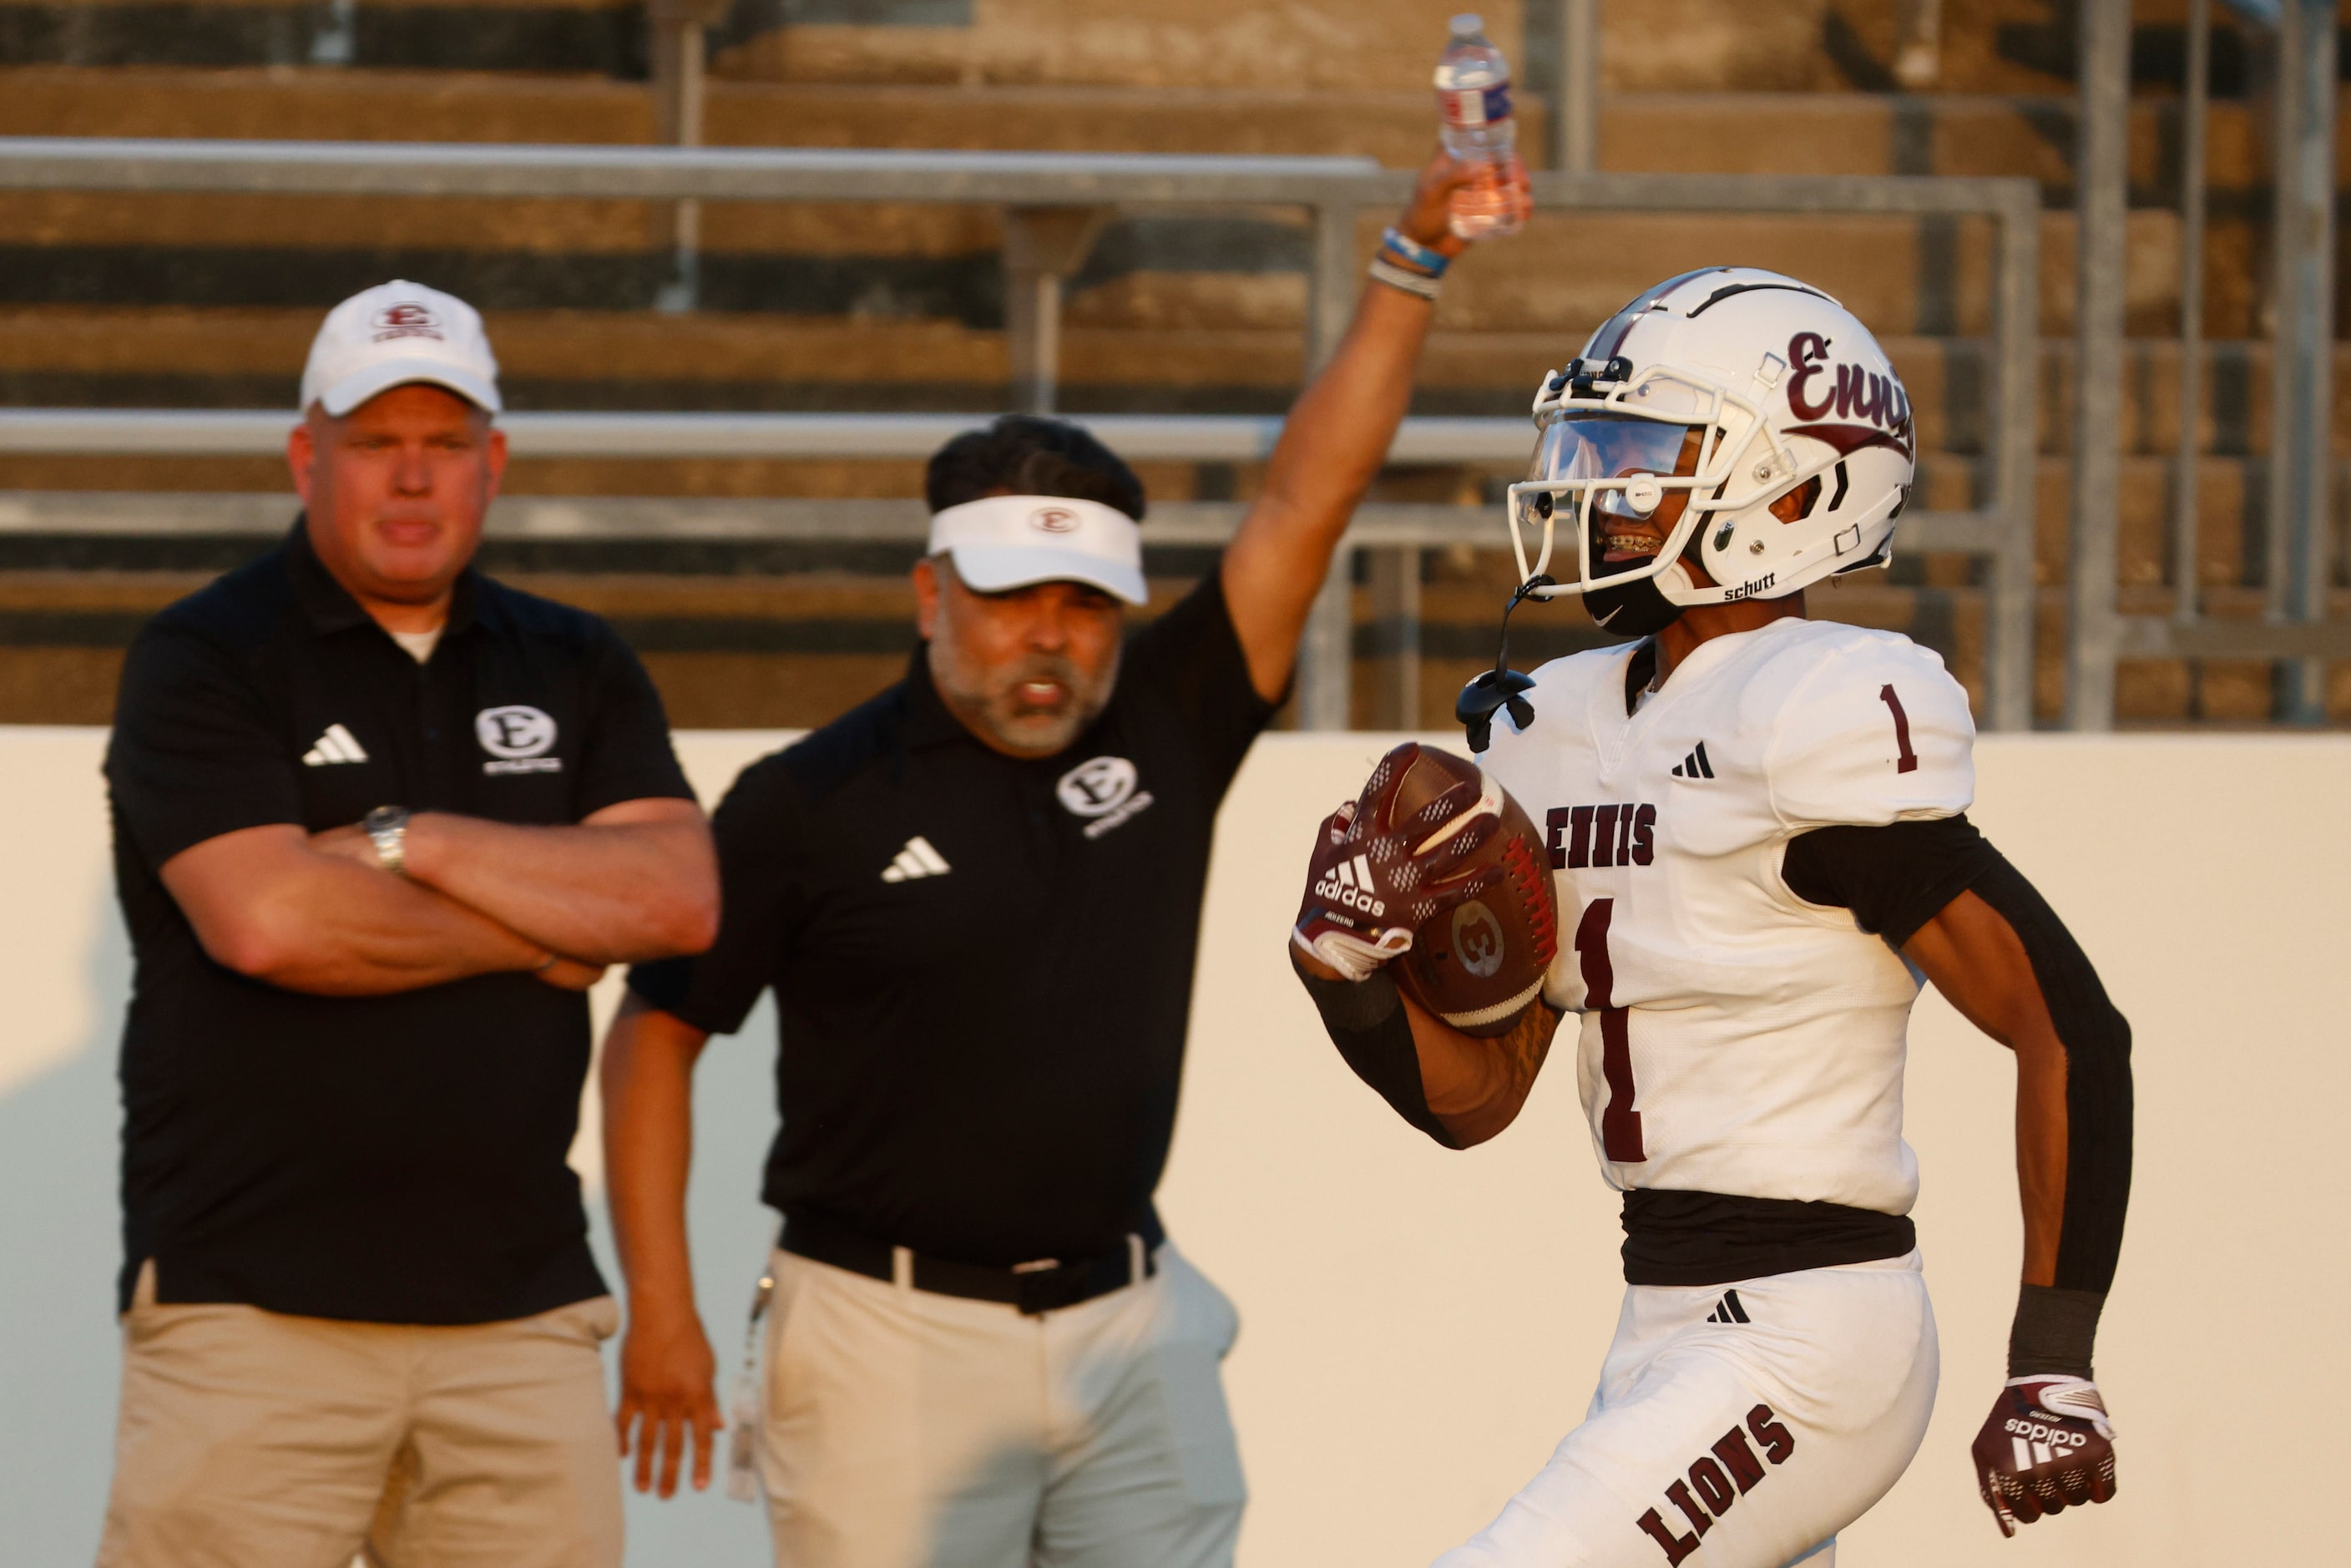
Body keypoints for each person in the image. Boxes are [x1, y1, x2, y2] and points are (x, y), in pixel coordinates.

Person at [598, 150, 1514, 1567]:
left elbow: (1303, 504)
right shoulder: (809, 798)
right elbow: (656, 1036)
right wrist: (663, 1309)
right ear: (930, 594)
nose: (1051, 635)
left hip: (1127, 1327)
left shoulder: (1165, 719)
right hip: (885, 1338)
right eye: (1013, 598)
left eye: (1086, 603)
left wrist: (1413, 257)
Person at [1288, 268, 2133, 1566]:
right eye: (1595, 450)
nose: (1595, 488)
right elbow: (1483, 1099)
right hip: (1663, 1322)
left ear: (1790, 491)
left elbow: (2070, 1026)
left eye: (1638, 457)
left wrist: (2054, 1361)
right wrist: (1347, 977)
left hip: (1811, 1330)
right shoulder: (1556, 723)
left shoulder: (1812, 713)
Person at [96, 280, 719, 1568]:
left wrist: (411, 841)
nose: (412, 478)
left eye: (444, 443)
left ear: (493, 463)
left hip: (521, 1320)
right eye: (376, 442)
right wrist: (545, 923)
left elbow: (677, 897)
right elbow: (270, 923)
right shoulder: (203, 655)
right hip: (251, 1314)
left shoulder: (578, 659)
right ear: (304, 454)